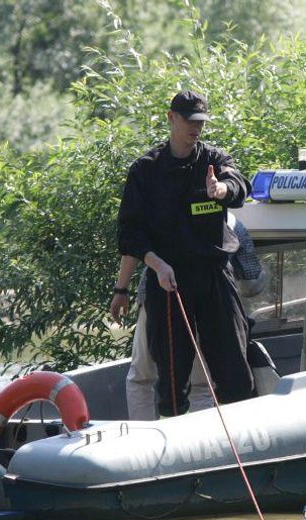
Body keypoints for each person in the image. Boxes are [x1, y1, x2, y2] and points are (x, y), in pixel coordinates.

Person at [116, 90, 255, 417]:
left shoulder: (215, 161)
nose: (197, 128)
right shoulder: (145, 171)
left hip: (214, 278)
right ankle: (171, 436)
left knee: (234, 367)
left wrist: (221, 189)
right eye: (190, 121)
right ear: (171, 118)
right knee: (173, 376)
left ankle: (241, 435)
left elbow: (239, 186)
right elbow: (129, 234)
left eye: (202, 122)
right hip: (168, 281)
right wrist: (138, 276)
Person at [111, 214, 267, 420]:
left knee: (141, 377)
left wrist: (120, 289)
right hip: (206, 306)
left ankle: (142, 439)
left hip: (154, 300)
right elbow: (252, 282)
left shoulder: (162, 215)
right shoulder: (234, 227)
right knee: (200, 385)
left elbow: (132, 246)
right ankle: (199, 445)